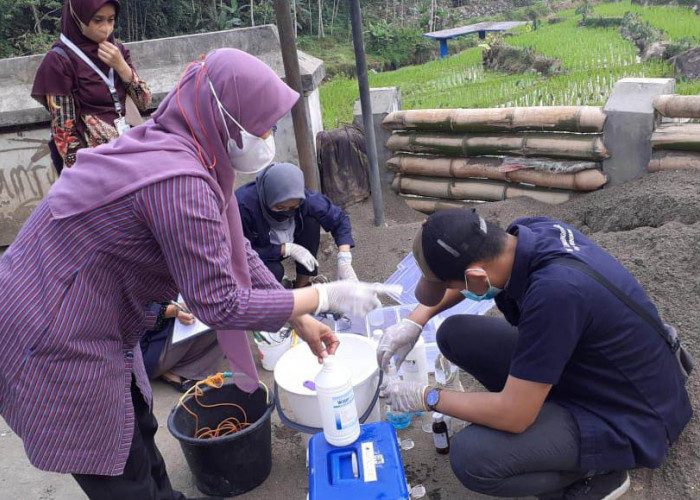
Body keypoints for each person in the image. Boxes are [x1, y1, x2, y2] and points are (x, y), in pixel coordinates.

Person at [0, 48, 391, 500]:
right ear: (225, 115)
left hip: (85, 314)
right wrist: (324, 297)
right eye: (261, 123)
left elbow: (231, 245)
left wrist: (297, 319)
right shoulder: (177, 178)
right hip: (51, 330)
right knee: (116, 467)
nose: (267, 135)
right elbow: (220, 302)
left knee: (137, 429)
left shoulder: (182, 145)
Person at [377, 209, 692, 500]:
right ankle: (541, 415)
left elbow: (515, 416)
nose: (453, 289)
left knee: (471, 457)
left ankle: (598, 474)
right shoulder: (528, 233)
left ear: (476, 275)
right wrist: (415, 321)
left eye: (451, 282)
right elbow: (465, 282)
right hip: (595, 366)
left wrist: (427, 396)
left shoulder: (555, 293)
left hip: (632, 413)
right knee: (454, 335)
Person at [31, 0, 152, 173]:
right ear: (78, 17)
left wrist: (122, 67)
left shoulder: (116, 51)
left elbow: (144, 102)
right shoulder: (59, 62)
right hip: (98, 165)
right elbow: (65, 133)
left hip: (135, 153)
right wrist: (88, 174)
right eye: (97, 20)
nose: (106, 28)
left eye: (111, 20)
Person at [237, 162, 358, 287]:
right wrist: (285, 249)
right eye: (280, 207)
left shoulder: (305, 199)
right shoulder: (243, 206)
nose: (287, 212)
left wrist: (344, 259)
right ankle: (270, 296)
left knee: (311, 222)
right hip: (260, 252)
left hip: (290, 237)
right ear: (267, 197)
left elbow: (339, 219)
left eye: (294, 207)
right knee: (273, 271)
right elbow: (238, 253)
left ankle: (301, 286)